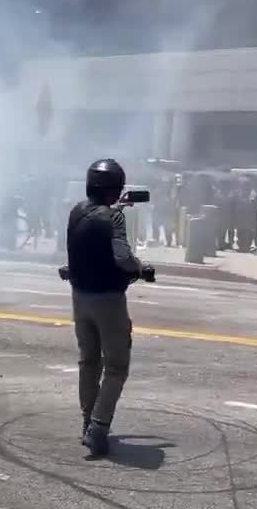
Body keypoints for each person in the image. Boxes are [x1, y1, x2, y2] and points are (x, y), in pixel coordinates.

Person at [65, 158, 154, 457]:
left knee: (89, 362)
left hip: (80, 298)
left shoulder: (77, 211)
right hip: (108, 301)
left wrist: (115, 210)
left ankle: (87, 422)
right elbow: (123, 258)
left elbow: (91, 234)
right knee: (116, 367)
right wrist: (140, 267)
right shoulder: (113, 218)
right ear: (114, 188)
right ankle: (99, 428)